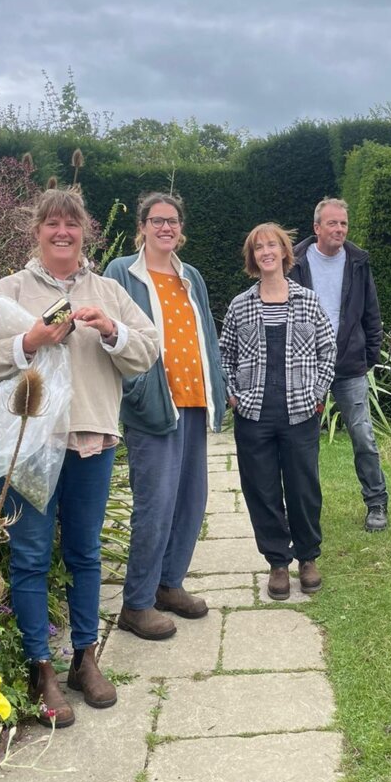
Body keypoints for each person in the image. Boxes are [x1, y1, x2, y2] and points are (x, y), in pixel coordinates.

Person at [0, 188, 159, 727]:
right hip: (31, 446)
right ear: (38, 232)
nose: (63, 233)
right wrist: (28, 339)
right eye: (53, 224)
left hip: (92, 440)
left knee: (85, 553)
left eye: (72, 224)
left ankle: (85, 658)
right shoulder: (10, 289)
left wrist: (112, 330)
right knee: (29, 557)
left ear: (85, 232)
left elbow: (148, 349)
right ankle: (40, 668)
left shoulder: (109, 290)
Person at [104, 192, 226, 640]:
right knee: (154, 505)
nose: (165, 228)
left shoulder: (190, 275)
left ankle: (168, 585)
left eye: (172, 221)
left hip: (193, 401)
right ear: (142, 226)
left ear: (180, 227)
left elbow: (206, 333)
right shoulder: (121, 272)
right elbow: (108, 337)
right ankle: (136, 604)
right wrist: (134, 391)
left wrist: (218, 387)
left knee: (190, 500)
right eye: (157, 221)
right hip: (153, 406)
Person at [219, 223, 336, 600]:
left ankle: (307, 557)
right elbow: (224, 357)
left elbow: (327, 351)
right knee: (262, 489)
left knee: (303, 488)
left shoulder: (307, 300)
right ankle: (277, 562)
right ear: (252, 258)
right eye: (258, 248)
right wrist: (234, 396)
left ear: (285, 252)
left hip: (300, 411)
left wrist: (318, 393)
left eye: (272, 245)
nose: (266, 252)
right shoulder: (241, 304)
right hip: (254, 414)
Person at [289, 198, 389, 531]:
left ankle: (377, 503)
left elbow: (371, 313)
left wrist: (369, 355)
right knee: (303, 439)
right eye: (332, 224)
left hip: (349, 365)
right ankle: (304, 507)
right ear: (317, 227)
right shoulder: (296, 262)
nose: (339, 230)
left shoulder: (358, 261)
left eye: (344, 224)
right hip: (306, 365)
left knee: (362, 435)